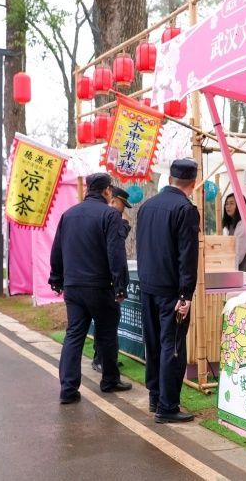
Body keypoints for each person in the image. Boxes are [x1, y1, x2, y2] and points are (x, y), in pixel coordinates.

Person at [49, 173, 132, 404]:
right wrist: (120, 286)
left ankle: (68, 389)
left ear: (88, 189)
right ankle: (110, 380)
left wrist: (56, 277)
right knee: (107, 333)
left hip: (73, 286)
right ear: (107, 191)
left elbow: (57, 249)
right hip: (100, 285)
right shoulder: (110, 214)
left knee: (74, 335)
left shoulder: (68, 214)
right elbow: (116, 253)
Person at [136, 159, 200, 423]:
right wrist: (186, 294)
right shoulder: (185, 209)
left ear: (171, 179)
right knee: (171, 345)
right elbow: (187, 256)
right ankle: (167, 406)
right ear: (193, 183)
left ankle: (155, 396)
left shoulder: (147, 206)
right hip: (171, 291)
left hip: (148, 285)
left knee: (153, 342)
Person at [92, 186, 133, 373]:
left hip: (100, 280)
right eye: (123, 205)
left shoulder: (101, 216)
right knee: (107, 324)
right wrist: (125, 224)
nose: (123, 210)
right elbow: (116, 243)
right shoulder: (110, 217)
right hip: (107, 281)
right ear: (114, 201)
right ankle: (103, 361)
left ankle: (104, 359)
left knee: (105, 324)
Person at [221, 193, 246, 272]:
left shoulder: (245, 224)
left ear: (240, 205)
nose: (228, 206)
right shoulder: (231, 225)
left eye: (231, 203)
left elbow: (238, 253)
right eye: (226, 204)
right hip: (239, 268)